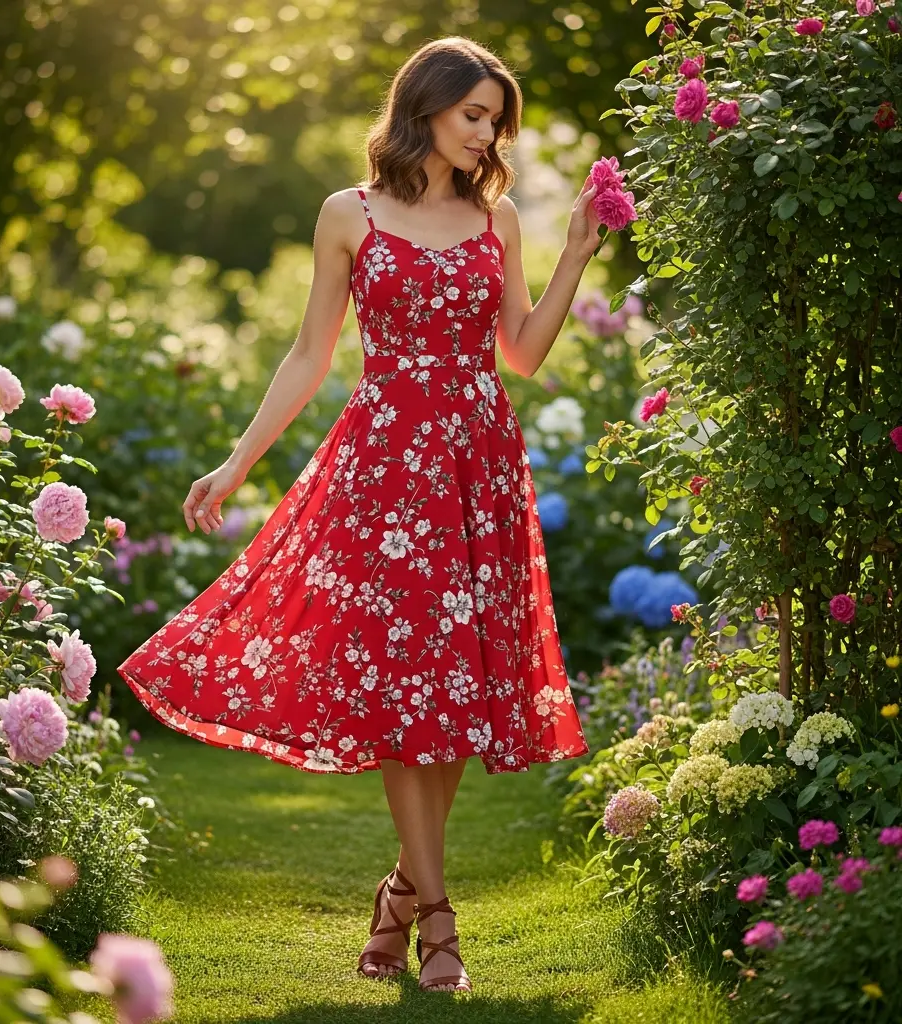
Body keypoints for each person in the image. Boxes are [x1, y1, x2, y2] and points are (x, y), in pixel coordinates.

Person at [118, 34, 601, 994]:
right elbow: (309, 356)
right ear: (424, 105)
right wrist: (235, 461)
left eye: (494, 122)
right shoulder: (348, 215)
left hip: (477, 469)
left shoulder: (495, 220)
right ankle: (440, 924)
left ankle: (397, 894)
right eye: (473, 115)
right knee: (405, 688)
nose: (484, 134)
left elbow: (524, 354)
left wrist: (576, 251)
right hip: (383, 474)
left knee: (453, 694)